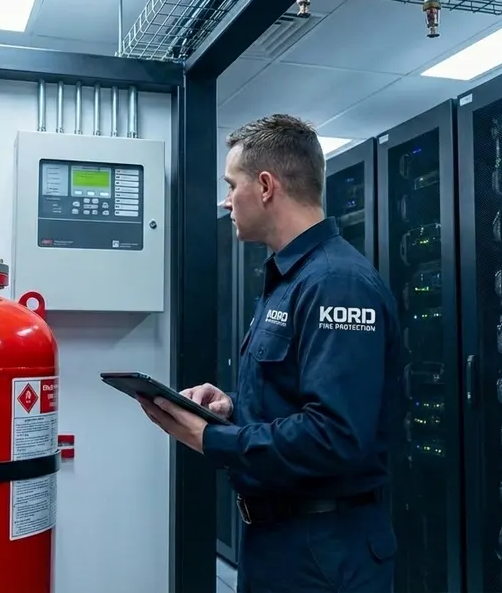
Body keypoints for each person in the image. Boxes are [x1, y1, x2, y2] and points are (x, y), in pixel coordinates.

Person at [138, 114, 402, 592]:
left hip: (324, 553)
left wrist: (212, 438)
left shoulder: (335, 283)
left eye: (231, 185)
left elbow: (335, 436)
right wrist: (231, 408)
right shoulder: (290, 279)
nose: (226, 200)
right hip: (280, 541)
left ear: (265, 186)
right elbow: (294, 400)